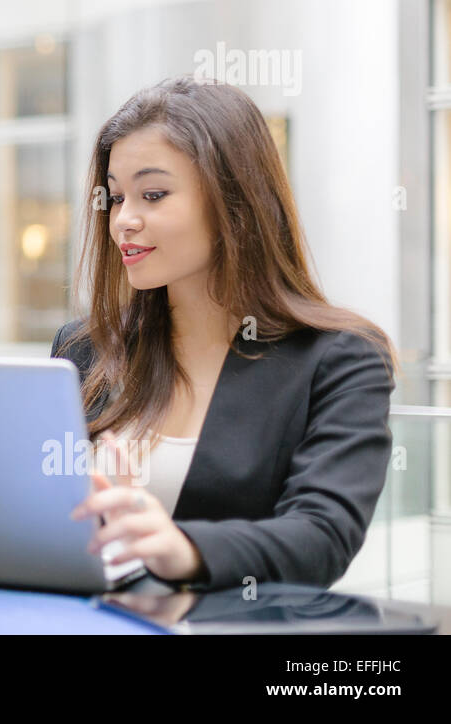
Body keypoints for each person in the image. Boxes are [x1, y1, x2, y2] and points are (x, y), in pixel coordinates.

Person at [52, 76, 396, 590]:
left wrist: (183, 547)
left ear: (234, 201)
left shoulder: (340, 360)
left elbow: (323, 536)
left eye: (153, 194)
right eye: (117, 197)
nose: (124, 220)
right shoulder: (84, 348)